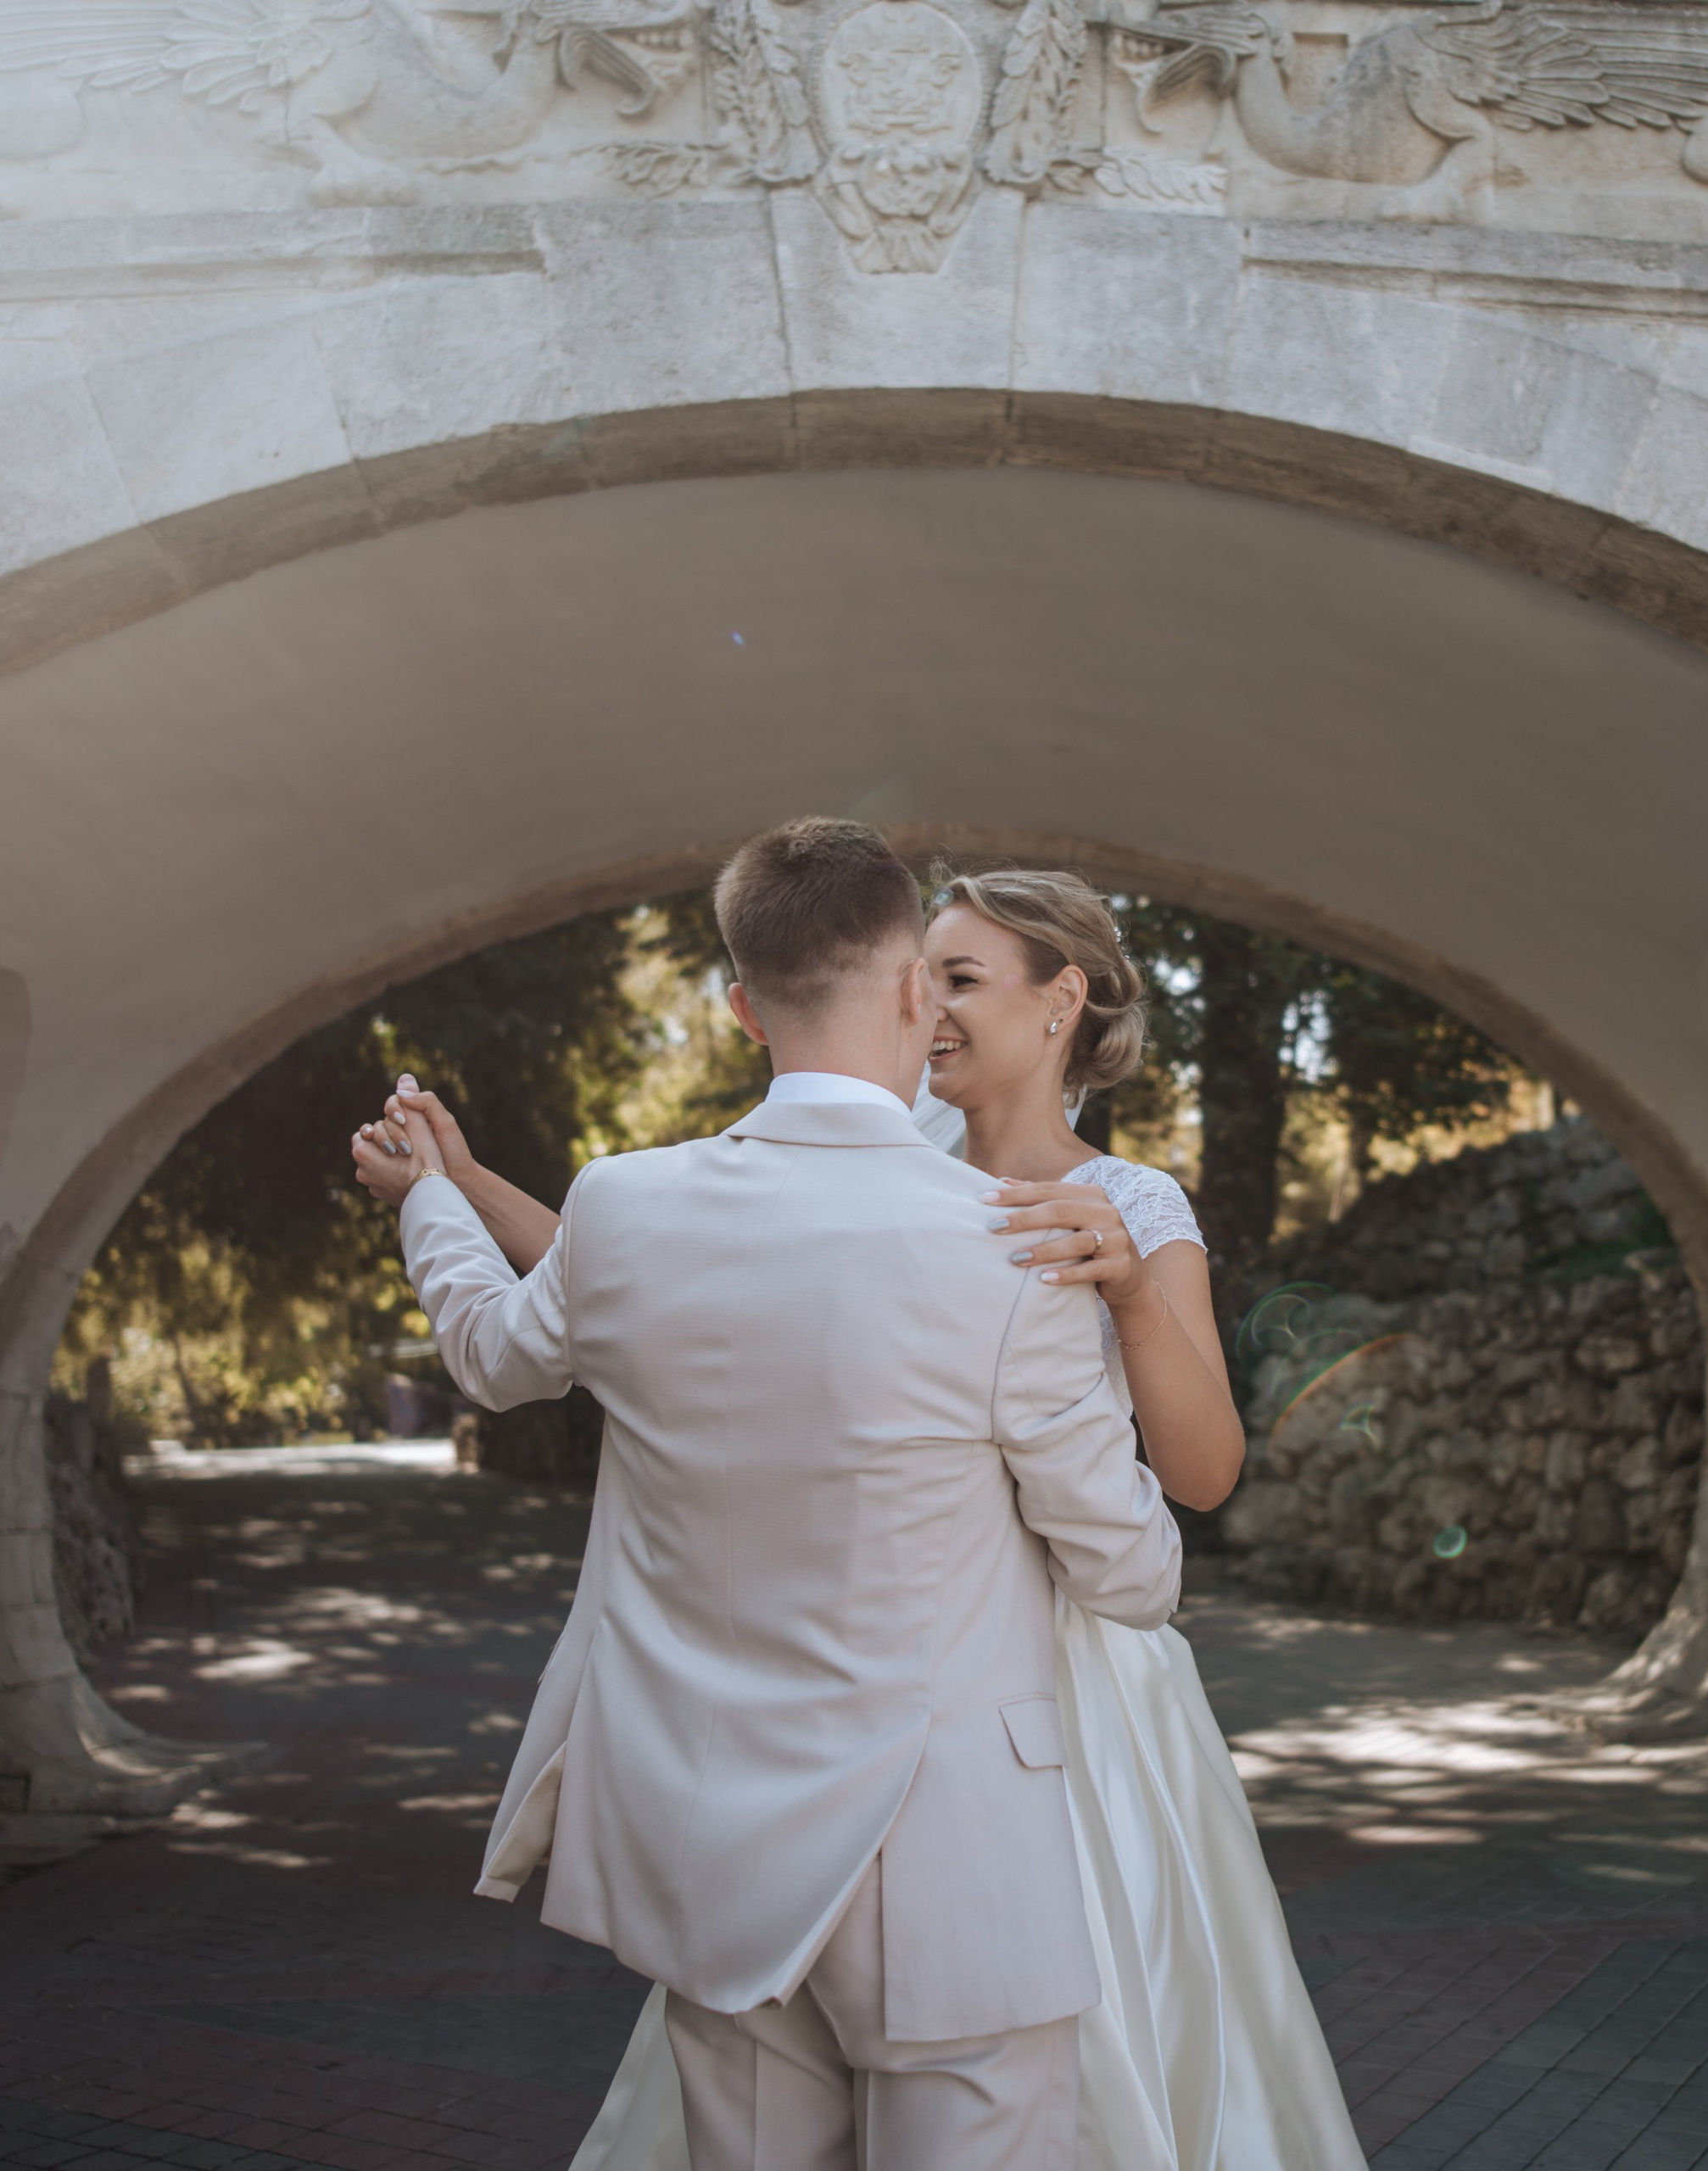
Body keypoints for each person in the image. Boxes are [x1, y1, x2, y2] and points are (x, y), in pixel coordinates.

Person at [354, 857, 1370, 2171]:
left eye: (966, 978)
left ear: (1061, 1002)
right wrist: (473, 1186)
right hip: (946, 1763)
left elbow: (1205, 1475)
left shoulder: (1125, 1208)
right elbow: (662, 1287)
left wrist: (1129, 1297)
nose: (937, 1008)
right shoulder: (922, 1194)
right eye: (930, 974)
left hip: (1062, 1719)